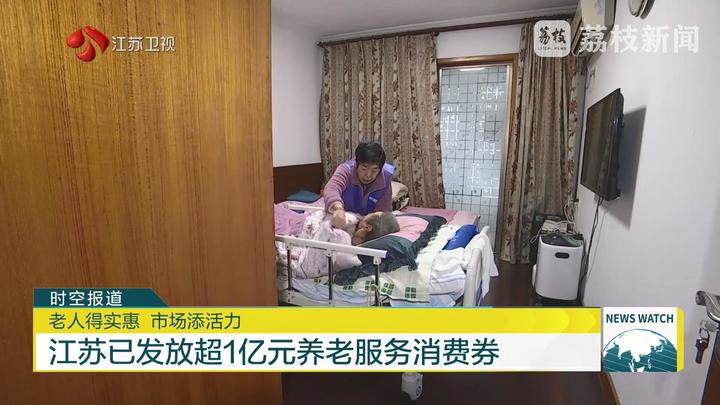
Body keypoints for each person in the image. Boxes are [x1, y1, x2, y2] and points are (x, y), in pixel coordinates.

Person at [324, 142, 394, 228]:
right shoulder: (346, 170)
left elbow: (384, 210)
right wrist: (338, 208)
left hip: (367, 222)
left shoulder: (386, 177)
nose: (368, 175)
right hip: (343, 216)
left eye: (374, 170)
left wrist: (370, 220)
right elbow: (331, 188)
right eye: (364, 168)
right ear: (356, 164)